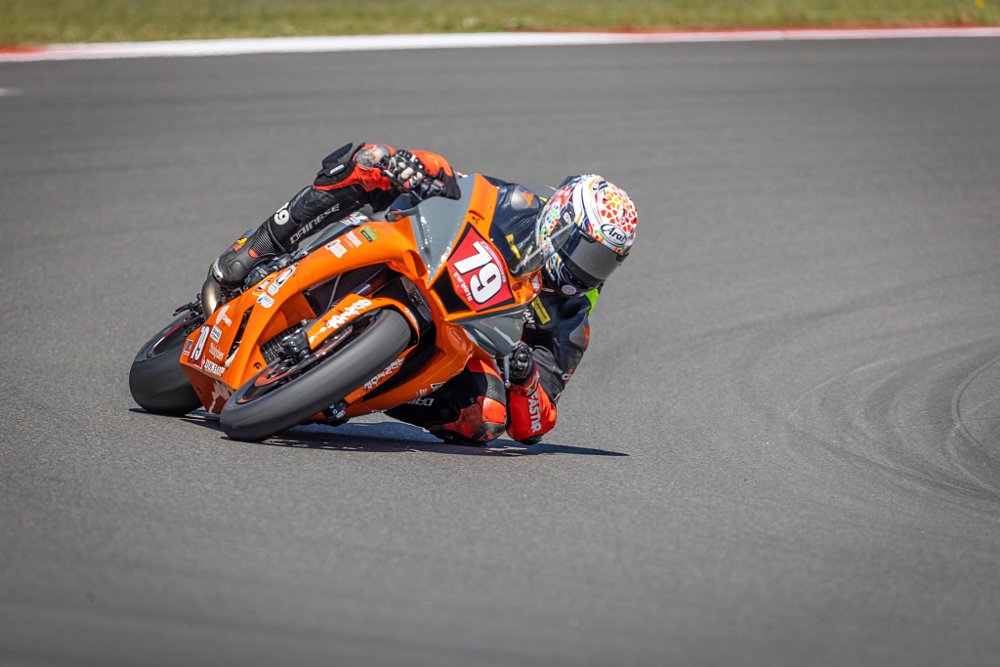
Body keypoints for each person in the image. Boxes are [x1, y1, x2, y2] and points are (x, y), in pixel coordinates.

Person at [211, 143, 638, 446]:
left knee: (488, 418)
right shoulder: (518, 205)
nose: (589, 268)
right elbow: (460, 186)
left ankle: (348, 387)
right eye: (587, 250)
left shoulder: (572, 320)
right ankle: (257, 249)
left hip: (452, 346)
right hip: (416, 259)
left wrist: (525, 378)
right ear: (560, 220)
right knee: (367, 162)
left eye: (605, 261)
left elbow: (534, 427)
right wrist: (416, 169)